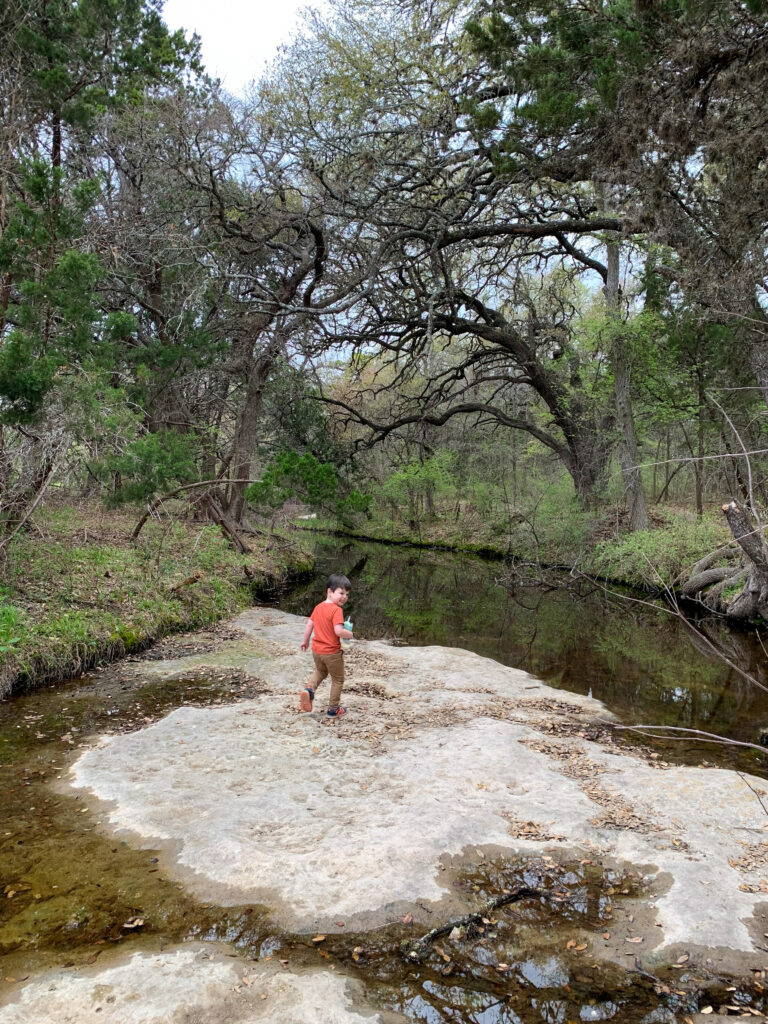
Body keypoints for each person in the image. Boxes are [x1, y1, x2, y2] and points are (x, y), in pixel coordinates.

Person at [299, 573, 354, 717]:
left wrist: (305, 641)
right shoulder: (337, 610)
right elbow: (338, 631)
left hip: (316, 650)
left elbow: (309, 625)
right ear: (329, 592)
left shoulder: (318, 607)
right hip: (331, 653)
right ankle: (333, 709)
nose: (344, 597)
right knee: (338, 679)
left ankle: (309, 690)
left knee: (321, 671)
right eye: (341, 593)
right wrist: (350, 634)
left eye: (347, 594)